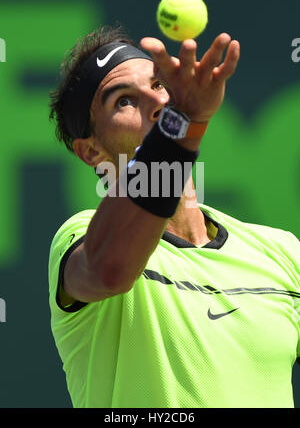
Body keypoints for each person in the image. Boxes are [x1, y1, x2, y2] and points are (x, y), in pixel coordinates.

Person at [48, 25, 300, 408]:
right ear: (91, 151)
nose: (156, 101)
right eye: (123, 102)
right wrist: (179, 123)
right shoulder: (81, 236)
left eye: (160, 85)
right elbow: (109, 271)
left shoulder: (281, 252)